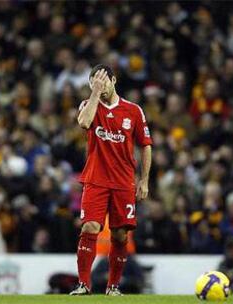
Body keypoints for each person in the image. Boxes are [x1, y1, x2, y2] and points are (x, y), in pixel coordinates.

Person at [69, 64, 152, 296]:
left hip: (124, 182)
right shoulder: (89, 105)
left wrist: (144, 181)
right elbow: (84, 123)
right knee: (90, 226)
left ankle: (113, 287)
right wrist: (95, 93)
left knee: (120, 234)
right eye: (94, 81)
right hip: (96, 179)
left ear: (114, 81)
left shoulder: (133, 110)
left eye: (103, 80)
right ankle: (84, 285)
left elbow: (146, 146)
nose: (100, 85)